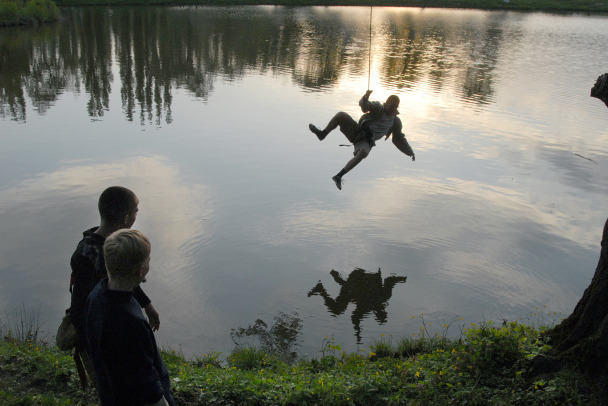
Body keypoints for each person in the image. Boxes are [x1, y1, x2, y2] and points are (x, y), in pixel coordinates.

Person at [68, 186, 160, 388]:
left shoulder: (114, 246)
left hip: (112, 335)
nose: (137, 215)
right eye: (136, 211)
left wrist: (146, 304)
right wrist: (94, 346)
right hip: (99, 342)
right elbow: (80, 308)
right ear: (126, 217)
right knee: (110, 389)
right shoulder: (89, 254)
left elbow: (124, 278)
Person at [85, 229, 175, 406]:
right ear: (141, 271)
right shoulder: (131, 323)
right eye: (148, 260)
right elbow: (147, 388)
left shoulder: (96, 297)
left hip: (111, 395)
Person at [309, 90, 415, 190]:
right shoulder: (378, 108)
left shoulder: (395, 122)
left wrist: (409, 151)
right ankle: (322, 134)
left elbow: (399, 139)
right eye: (391, 106)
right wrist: (365, 97)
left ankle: (338, 176)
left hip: (366, 142)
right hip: (357, 132)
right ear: (386, 103)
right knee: (341, 115)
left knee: (363, 152)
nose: (393, 109)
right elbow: (365, 107)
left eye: (395, 107)